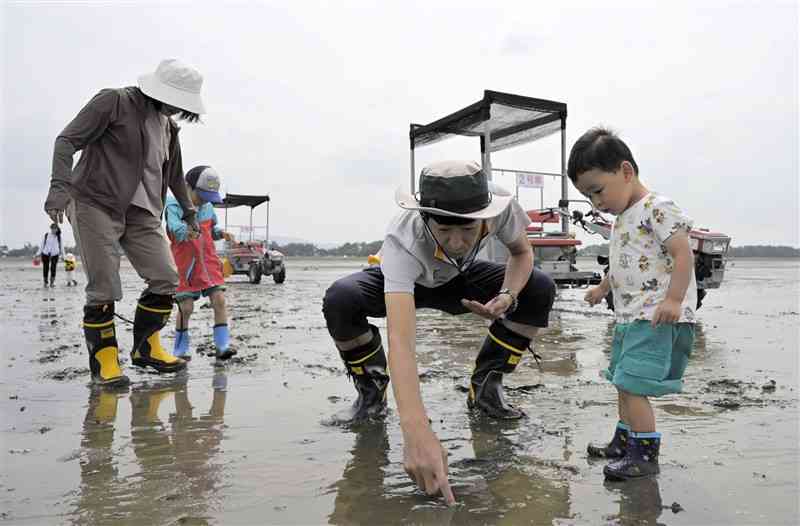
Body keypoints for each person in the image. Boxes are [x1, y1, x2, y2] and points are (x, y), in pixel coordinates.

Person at [322, 160, 556, 504]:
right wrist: (416, 431)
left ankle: (486, 388)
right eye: (444, 231)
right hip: (403, 282)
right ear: (425, 217)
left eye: (467, 231)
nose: (457, 242)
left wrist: (506, 296)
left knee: (538, 288)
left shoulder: (501, 210)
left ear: (485, 216)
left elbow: (522, 253)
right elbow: (402, 343)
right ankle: (370, 394)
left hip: (461, 279)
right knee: (341, 298)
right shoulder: (404, 237)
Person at [44, 59, 207, 387]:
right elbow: (66, 141)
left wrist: (189, 212)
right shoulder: (114, 102)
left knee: (165, 277)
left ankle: (146, 346)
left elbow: (174, 174)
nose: (178, 110)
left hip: (143, 212)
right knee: (104, 286)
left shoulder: (169, 127)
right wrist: (59, 187)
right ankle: (105, 360)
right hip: (96, 203)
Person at [567, 127, 696, 480]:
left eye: (597, 191)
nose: (596, 203)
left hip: (656, 316)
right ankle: (623, 442)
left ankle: (644, 456)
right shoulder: (624, 217)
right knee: (623, 381)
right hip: (630, 316)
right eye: (587, 196)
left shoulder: (657, 208)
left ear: (626, 171)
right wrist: (602, 287)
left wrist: (673, 299)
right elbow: (624, 262)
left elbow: (683, 254)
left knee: (634, 385)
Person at [165, 165, 236, 362]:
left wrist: (221, 233)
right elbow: (174, 228)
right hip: (186, 265)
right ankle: (180, 350)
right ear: (187, 186)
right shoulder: (173, 205)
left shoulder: (208, 208)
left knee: (219, 300)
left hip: (209, 264)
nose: (205, 200)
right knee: (185, 308)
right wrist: (187, 230)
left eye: (209, 196)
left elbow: (212, 231)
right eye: (201, 195)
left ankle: (222, 346)